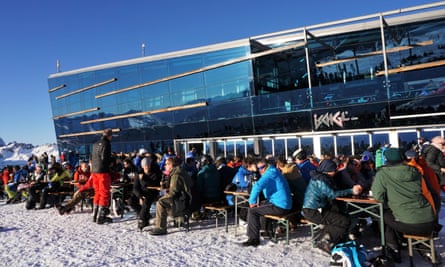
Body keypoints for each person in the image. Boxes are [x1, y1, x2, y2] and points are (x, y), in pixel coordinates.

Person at [371, 147, 438, 263]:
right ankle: (424, 249)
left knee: (384, 215)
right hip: (430, 219)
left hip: (410, 223)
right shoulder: (415, 171)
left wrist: (391, 201)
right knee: (403, 215)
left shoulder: (383, 174)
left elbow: (378, 197)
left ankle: (394, 249)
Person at [302, 159, 362, 254]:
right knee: (343, 220)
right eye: (334, 170)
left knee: (343, 216)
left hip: (316, 209)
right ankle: (324, 241)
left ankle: (336, 240)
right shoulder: (321, 180)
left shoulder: (321, 177)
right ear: (328, 170)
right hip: (313, 211)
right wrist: (351, 191)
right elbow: (332, 194)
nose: (335, 172)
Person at [241, 158, 292, 247]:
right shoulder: (274, 171)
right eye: (259, 168)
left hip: (280, 206)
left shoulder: (270, 174)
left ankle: (253, 239)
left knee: (252, 211)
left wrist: (251, 201)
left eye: (261, 168)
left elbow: (257, 186)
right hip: (283, 204)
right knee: (261, 205)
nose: (260, 170)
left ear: (266, 166)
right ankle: (266, 231)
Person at [150, 157, 192, 235]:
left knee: (160, 202)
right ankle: (161, 223)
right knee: (163, 200)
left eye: (166, 164)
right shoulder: (178, 172)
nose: (165, 166)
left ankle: (161, 227)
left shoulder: (176, 175)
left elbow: (173, 193)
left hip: (182, 203)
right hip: (184, 199)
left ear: (171, 165)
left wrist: (162, 196)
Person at [129, 156, 162, 231]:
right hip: (141, 192)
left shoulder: (155, 172)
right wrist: (140, 196)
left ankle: (142, 219)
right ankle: (144, 214)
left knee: (146, 202)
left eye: (147, 165)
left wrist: (143, 179)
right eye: (144, 165)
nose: (146, 167)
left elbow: (152, 185)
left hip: (152, 192)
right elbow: (135, 187)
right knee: (131, 201)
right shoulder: (139, 173)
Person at [91, 128, 113, 224]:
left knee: (97, 192)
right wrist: (112, 162)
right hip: (103, 171)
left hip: (95, 171)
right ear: (110, 136)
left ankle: (95, 215)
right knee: (104, 192)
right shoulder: (106, 143)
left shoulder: (95, 144)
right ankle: (101, 217)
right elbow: (105, 158)